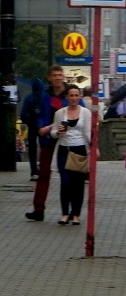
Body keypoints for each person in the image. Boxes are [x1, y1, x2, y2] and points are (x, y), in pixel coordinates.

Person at [26, 65, 80, 222]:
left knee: (69, 176)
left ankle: (70, 211)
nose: (57, 78)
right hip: (47, 139)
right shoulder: (43, 96)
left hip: (68, 140)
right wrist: (38, 129)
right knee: (43, 174)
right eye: (54, 75)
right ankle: (39, 209)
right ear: (49, 78)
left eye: (60, 75)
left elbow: (80, 114)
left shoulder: (70, 95)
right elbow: (33, 114)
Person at [50, 85, 94, 225]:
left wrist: (93, 148)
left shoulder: (85, 112)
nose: (74, 98)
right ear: (67, 97)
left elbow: (88, 132)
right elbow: (53, 132)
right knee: (65, 182)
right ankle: (64, 213)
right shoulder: (60, 113)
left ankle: (75, 214)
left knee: (78, 184)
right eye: (71, 95)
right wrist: (58, 132)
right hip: (64, 149)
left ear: (80, 96)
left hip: (79, 150)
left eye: (76, 95)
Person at [19, 78, 45, 181]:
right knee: (44, 148)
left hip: (32, 126)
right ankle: (43, 168)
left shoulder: (29, 98)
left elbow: (23, 114)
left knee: (32, 150)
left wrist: (29, 122)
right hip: (43, 127)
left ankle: (34, 172)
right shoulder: (45, 97)